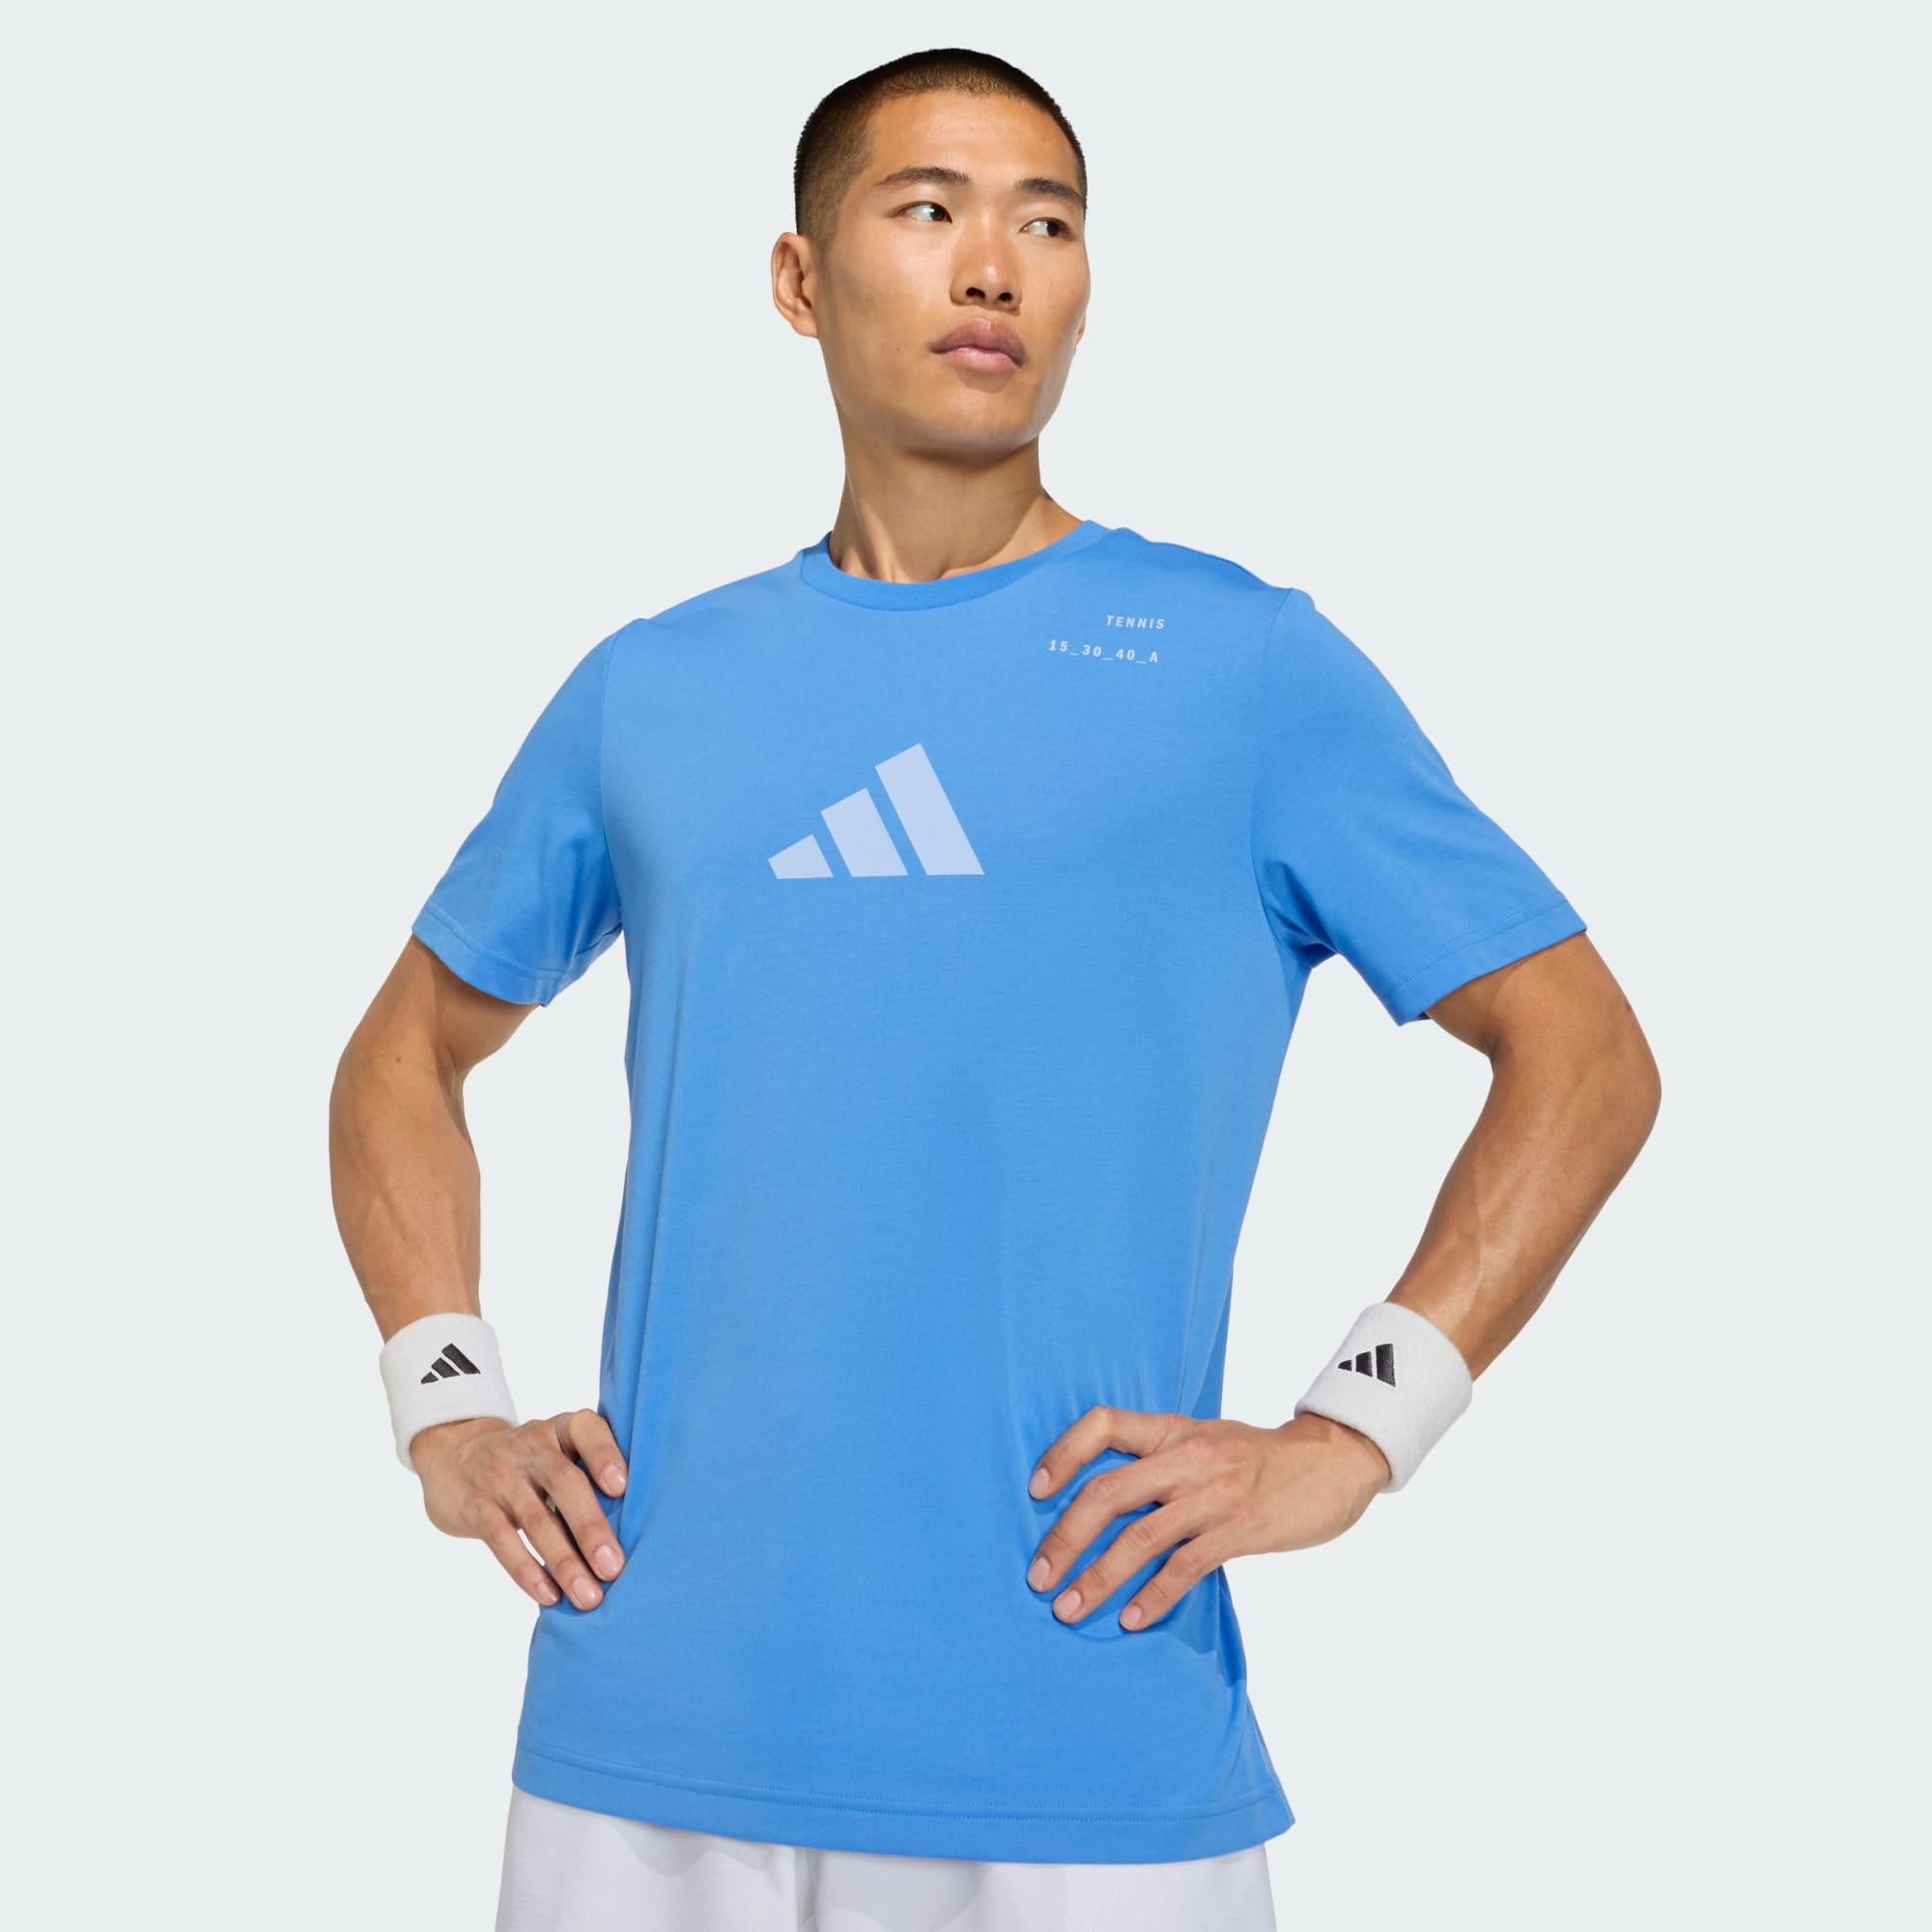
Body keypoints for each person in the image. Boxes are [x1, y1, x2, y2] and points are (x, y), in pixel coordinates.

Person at [328, 44, 1662, 1932]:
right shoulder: (654, 688)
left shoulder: (1239, 665)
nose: (994, 266)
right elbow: (406, 1050)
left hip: (1079, 1736)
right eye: (930, 208)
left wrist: (1360, 1428)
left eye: (1047, 222)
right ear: (800, 279)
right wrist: (447, 1403)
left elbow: (1581, 1051)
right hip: (647, 1725)